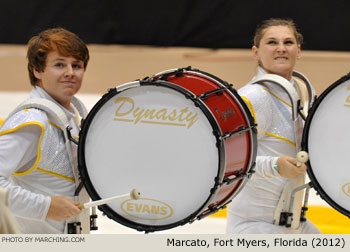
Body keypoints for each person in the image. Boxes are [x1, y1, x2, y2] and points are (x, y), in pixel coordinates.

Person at [226, 18, 321, 234]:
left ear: (298, 50)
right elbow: (227, 161)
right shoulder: (255, 97)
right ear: (256, 52)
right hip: (255, 226)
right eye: (271, 42)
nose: (281, 49)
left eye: (288, 42)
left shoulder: (297, 91)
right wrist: (274, 165)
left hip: (294, 222)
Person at [0, 28, 90, 233]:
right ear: (36, 70)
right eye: (59, 65)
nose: (70, 72)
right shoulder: (32, 121)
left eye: (77, 65)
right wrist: (45, 207)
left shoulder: (70, 116)